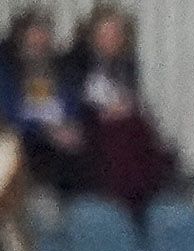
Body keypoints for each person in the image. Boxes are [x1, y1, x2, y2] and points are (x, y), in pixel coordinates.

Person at [63, 4, 172, 217]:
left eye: (115, 34)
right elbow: (74, 98)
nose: (110, 39)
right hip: (88, 121)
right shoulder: (77, 61)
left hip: (120, 119)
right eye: (104, 34)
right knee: (123, 131)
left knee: (136, 127)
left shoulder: (127, 63)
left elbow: (130, 96)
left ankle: (140, 194)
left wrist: (122, 106)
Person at [2, 11, 84, 196]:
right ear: (20, 40)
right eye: (33, 38)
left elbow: (73, 105)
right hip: (26, 141)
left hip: (62, 140)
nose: (39, 44)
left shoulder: (62, 70)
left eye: (43, 38)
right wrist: (45, 130)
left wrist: (71, 126)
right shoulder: (7, 74)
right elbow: (9, 116)